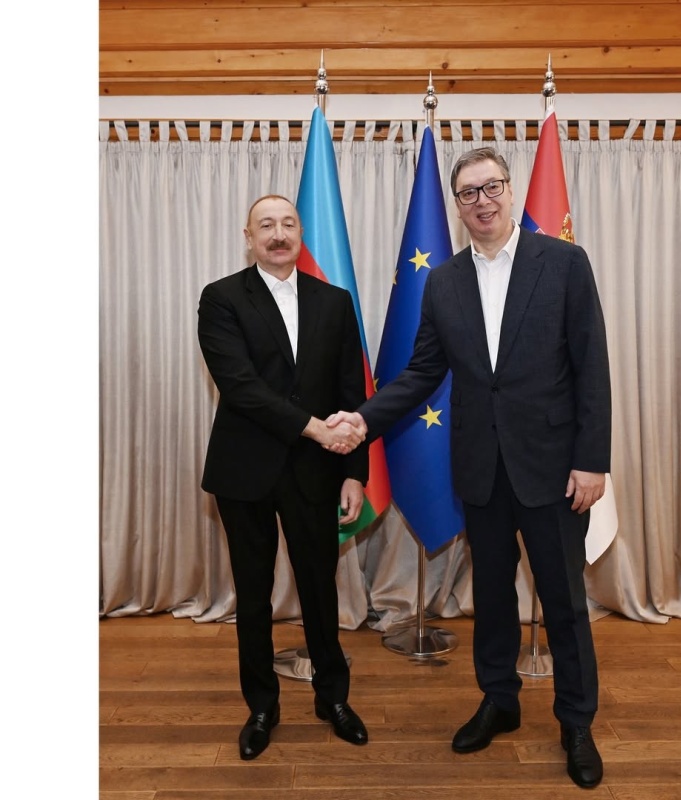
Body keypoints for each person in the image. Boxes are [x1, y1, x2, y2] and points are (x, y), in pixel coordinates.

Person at [327, 148, 611, 789]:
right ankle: (499, 701)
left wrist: (592, 461)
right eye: (468, 193)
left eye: (491, 187)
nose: (482, 201)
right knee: (492, 596)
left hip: (552, 467)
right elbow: (422, 372)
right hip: (481, 468)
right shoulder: (444, 281)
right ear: (456, 206)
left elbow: (592, 365)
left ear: (510, 190)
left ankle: (575, 721)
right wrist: (364, 420)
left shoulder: (564, 262)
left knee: (564, 601)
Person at [197, 194, 370, 761]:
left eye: (288, 224)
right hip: (245, 470)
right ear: (248, 237)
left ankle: (333, 698)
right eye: (266, 225)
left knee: (320, 589)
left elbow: (351, 390)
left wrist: (354, 473)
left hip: (317, 474)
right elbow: (240, 386)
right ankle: (262, 707)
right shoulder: (221, 298)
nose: (278, 233)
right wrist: (316, 429)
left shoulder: (335, 301)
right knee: (253, 596)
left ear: (300, 235)